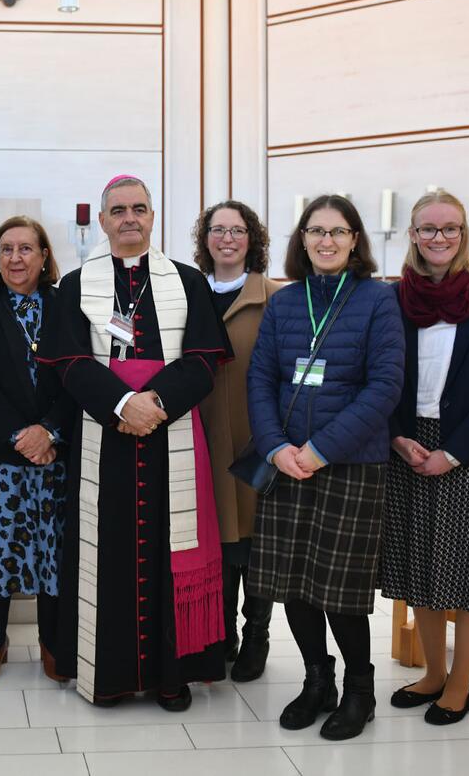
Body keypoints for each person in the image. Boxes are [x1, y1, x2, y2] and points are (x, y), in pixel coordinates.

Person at [45, 175, 233, 712]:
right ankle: (110, 676)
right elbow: (69, 363)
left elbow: (202, 361)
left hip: (169, 433)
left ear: (153, 218)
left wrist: (154, 405)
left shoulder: (189, 281)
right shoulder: (78, 284)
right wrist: (124, 405)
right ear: (102, 221)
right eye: (118, 210)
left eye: (139, 209)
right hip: (103, 441)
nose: (129, 218)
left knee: (169, 553)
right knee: (106, 557)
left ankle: (172, 677)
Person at [246, 194, 404, 741]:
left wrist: (320, 449)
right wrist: (274, 447)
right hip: (287, 462)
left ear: (355, 240)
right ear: (303, 239)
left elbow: (384, 387)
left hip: (350, 463)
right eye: (316, 231)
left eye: (338, 231)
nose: (327, 241)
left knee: (339, 589)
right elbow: (261, 380)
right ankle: (319, 681)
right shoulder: (285, 302)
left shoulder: (378, 300)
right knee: (289, 583)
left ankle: (361, 690)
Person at [379, 189, 469, 725]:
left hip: (468, 451)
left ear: (464, 234)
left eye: (450, 228)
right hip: (410, 446)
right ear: (412, 235)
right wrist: (396, 437)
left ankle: (460, 684)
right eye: (428, 228)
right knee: (423, 569)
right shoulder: (394, 298)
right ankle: (434, 673)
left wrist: (453, 452)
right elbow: (383, 379)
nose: (439, 237)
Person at [0, 216, 69, 684]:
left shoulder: (67, 304)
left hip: (56, 453)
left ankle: (51, 643)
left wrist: (49, 431)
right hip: (0, 455)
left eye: (26, 248)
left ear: (44, 257)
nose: (16, 258)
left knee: (52, 552)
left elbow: (79, 374)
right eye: (6, 249)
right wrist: (20, 436)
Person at [192, 201, 280, 682]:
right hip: (200, 437)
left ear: (253, 239)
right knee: (216, 545)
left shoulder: (274, 297)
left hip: (255, 439)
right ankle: (218, 634)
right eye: (218, 229)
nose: (228, 238)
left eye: (238, 230)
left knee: (253, 544)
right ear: (205, 239)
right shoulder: (187, 294)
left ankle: (257, 636)